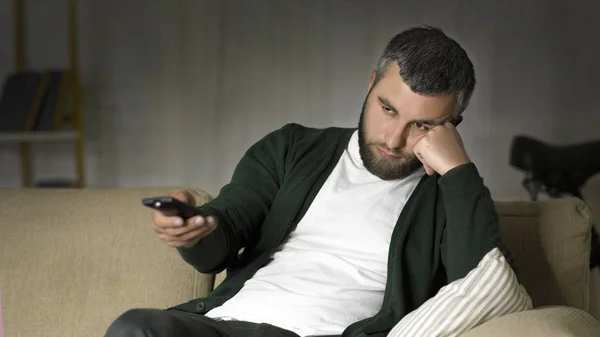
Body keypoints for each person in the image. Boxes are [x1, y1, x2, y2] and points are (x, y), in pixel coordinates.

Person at [104, 25, 512, 337]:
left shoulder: (450, 197)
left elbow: (479, 287)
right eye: (387, 109)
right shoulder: (293, 148)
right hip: (225, 327)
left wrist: (458, 172)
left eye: (421, 125)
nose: (393, 139)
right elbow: (223, 234)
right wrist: (194, 232)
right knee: (137, 329)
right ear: (371, 85)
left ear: (450, 128)